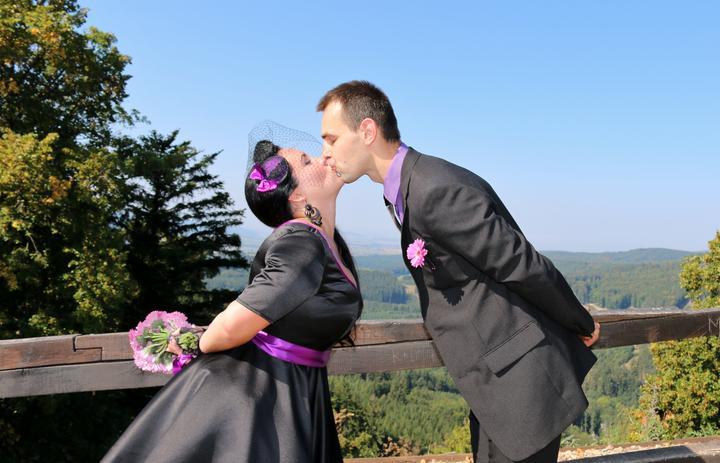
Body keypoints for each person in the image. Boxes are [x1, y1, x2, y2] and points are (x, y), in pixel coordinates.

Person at [317, 81, 601, 463]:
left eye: (331, 139)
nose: (325, 153)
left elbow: (520, 263)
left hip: (521, 383)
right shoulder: (411, 187)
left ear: (367, 131)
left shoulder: (434, 189)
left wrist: (580, 322)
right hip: (495, 384)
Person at [102, 122, 361, 463]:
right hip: (254, 404)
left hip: (288, 390)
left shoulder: (319, 240)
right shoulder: (302, 242)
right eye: (307, 161)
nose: (322, 158)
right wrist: (197, 343)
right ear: (296, 196)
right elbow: (233, 325)